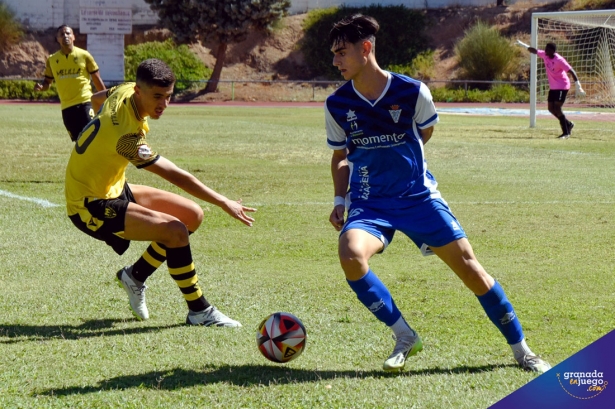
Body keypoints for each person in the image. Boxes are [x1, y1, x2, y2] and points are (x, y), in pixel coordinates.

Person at [325, 14, 551, 373]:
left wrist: (401, 166)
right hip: (370, 203)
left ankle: (522, 350)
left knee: (472, 271)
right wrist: (341, 200)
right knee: (351, 255)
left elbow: (424, 135)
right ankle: (404, 336)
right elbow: (340, 157)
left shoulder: (413, 92)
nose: (335, 61)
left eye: (341, 52)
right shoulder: (337, 104)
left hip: (418, 198)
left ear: (365, 49)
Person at [65, 58, 256, 327]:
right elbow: (176, 175)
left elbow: (98, 99)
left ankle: (135, 276)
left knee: (193, 216)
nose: (163, 104)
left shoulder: (125, 89)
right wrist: (223, 201)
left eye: (168, 96)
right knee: (176, 231)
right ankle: (199, 311)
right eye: (157, 97)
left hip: (113, 187)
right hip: (90, 205)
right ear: (139, 92)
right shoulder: (127, 138)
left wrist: (100, 137)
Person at [35, 25, 106, 141]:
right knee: (79, 142)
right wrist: (42, 87)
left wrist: (106, 98)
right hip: (67, 108)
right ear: (57, 39)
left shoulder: (84, 55)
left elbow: (97, 79)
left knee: (93, 138)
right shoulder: (52, 60)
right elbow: (47, 81)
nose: (65, 36)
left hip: (85, 103)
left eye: (68, 33)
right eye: (61, 34)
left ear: (73, 37)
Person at [517, 40, 585, 139]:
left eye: (547, 49)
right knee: (550, 109)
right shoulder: (545, 55)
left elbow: (572, 71)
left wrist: (578, 85)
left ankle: (566, 133)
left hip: (562, 86)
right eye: (545, 49)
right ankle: (568, 124)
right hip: (553, 87)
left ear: (553, 51)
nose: (545, 51)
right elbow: (535, 51)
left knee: (557, 108)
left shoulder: (559, 60)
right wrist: (524, 45)